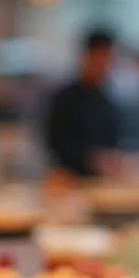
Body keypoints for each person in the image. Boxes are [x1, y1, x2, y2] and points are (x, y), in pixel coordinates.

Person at [44, 28, 123, 178]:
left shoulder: (107, 102)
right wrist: (89, 158)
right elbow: (55, 144)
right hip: (69, 181)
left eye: (109, 60)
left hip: (102, 181)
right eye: (101, 59)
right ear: (87, 56)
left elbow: (113, 144)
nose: (105, 66)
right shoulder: (64, 98)